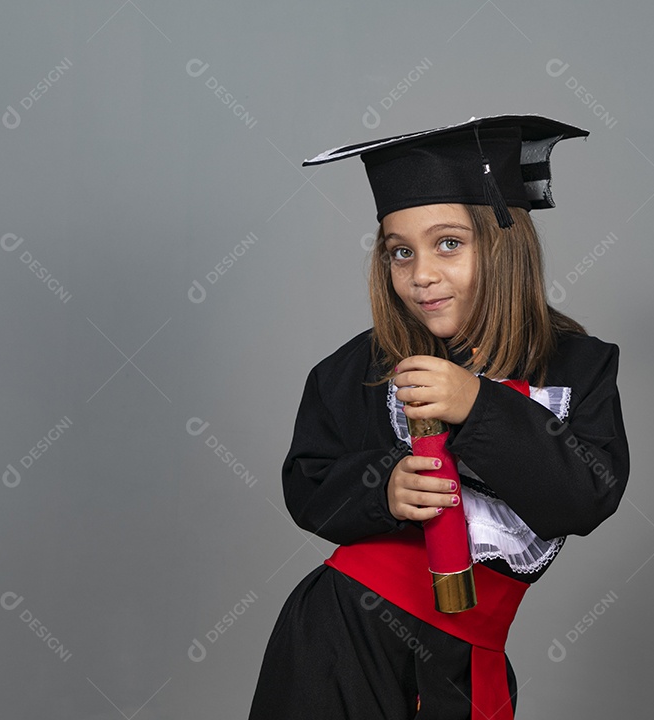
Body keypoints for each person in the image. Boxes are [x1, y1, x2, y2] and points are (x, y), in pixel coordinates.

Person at [248, 115, 629, 719]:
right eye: (401, 252)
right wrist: (385, 486)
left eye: (448, 243)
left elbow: (584, 498)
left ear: (504, 245)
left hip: (467, 655)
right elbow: (308, 482)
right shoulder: (359, 368)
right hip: (343, 642)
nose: (421, 274)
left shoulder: (579, 368)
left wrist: (477, 405)